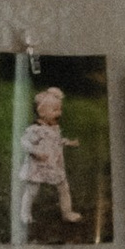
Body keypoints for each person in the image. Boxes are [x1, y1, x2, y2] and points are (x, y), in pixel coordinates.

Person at [14, 85, 78, 239]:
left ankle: (67, 213)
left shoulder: (54, 128)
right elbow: (24, 142)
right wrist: (36, 152)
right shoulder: (36, 130)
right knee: (32, 190)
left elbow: (55, 141)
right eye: (55, 110)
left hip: (54, 166)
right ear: (42, 112)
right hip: (38, 166)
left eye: (60, 109)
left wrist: (68, 142)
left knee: (63, 187)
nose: (60, 113)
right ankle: (24, 214)